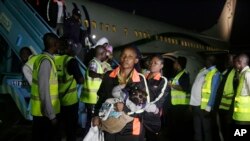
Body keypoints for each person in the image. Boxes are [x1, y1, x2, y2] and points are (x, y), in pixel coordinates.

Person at [92, 46, 150, 141]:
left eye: (130, 56)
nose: (126, 59)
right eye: (124, 55)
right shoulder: (108, 75)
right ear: (120, 57)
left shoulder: (140, 79)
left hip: (129, 128)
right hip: (109, 125)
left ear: (136, 60)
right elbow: (101, 98)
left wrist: (125, 108)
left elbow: (144, 106)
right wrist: (95, 115)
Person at [30, 33, 60, 141]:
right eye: (58, 43)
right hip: (44, 114)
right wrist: (51, 116)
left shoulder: (41, 58)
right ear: (55, 44)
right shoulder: (46, 62)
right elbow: (44, 90)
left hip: (42, 112)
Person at [54, 38, 84, 141]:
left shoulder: (53, 59)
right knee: (70, 130)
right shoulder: (70, 61)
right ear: (68, 48)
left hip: (56, 101)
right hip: (70, 102)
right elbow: (80, 80)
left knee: (57, 129)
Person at [190, 55, 221, 141]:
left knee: (206, 130)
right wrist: (191, 103)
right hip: (195, 105)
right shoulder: (203, 71)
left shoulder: (215, 73)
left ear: (211, 61)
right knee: (197, 130)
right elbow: (195, 86)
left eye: (207, 59)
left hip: (204, 107)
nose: (205, 61)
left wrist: (208, 107)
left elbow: (214, 92)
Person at [80, 45, 107, 130]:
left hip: (93, 97)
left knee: (92, 119)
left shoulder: (97, 63)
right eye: (105, 54)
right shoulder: (93, 62)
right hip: (91, 98)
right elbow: (91, 73)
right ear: (101, 53)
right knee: (91, 120)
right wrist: (100, 75)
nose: (106, 56)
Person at [143, 55, 168, 141]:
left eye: (155, 63)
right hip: (138, 113)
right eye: (151, 62)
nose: (152, 64)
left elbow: (161, 98)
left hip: (151, 116)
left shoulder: (162, 80)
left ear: (161, 66)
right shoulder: (143, 77)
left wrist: (149, 107)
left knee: (151, 137)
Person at [167, 56, 192, 141]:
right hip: (175, 104)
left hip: (180, 105)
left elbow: (184, 88)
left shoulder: (184, 74)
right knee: (175, 125)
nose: (173, 64)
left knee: (179, 126)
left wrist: (171, 85)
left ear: (178, 64)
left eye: (175, 63)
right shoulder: (177, 74)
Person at [214, 54, 237, 141]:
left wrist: (231, 112)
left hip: (230, 109)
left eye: (231, 59)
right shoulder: (227, 72)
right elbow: (220, 90)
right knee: (223, 130)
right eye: (229, 59)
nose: (229, 61)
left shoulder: (237, 73)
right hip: (222, 108)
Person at [231, 53, 250, 140]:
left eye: (235, 62)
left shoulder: (247, 74)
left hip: (245, 117)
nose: (234, 64)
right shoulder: (243, 74)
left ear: (240, 62)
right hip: (240, 116)